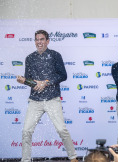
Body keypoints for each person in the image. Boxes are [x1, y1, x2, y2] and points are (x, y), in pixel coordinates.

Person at [17, 30, 78, 162]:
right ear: (35, 41)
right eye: (37, 39)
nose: (39, 42)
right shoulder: (29, 58)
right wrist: (25, 81)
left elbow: (63, 75)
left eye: (42, 39)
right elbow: (30, 81)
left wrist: (46, 83)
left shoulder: (55, 55)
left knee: (62, 130)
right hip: (35, 101)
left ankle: (73, 158)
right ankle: (25, 160)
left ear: (47, 41)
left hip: (52, 99)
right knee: (26, 131)